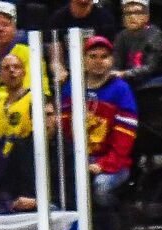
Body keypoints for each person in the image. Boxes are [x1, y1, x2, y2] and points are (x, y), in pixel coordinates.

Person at [58, 36, 138, 210]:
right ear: (84, 60)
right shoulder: (71, 89)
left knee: (100, 188)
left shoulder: (121, 89)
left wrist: (102, 164)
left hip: (113, 162)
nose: (98, 61)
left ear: (112, 60)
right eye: (93, 56)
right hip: (78, 158)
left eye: (104, 56)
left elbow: (125, 136)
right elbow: (64, 132)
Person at [113, 0, 162, 89]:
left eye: (137, 12)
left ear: (146, 16)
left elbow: (152, 67)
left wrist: (124, 74)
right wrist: (114, 73)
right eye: (127, 13)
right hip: (127, 81)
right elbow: (116, 63)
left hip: (152, 82)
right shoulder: (121, 36)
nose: (132, 17)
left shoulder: (154, 35)